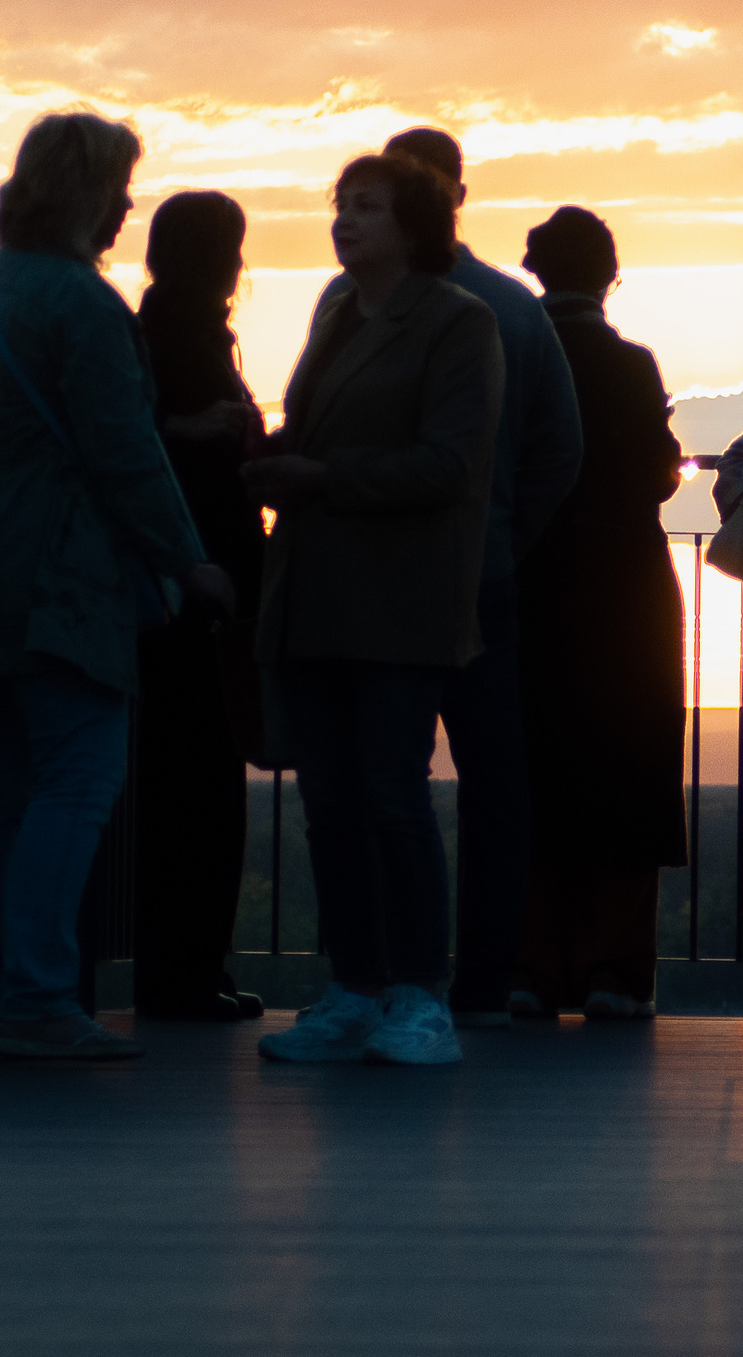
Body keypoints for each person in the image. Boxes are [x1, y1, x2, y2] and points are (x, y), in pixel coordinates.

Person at [0, 112, 234, 1061]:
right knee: (76, 779)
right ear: (86, 195)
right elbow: (123, 450)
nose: (127, 207)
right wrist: (188, 559)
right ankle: (40, 996)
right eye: (117, 188)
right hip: (62, 575)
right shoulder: (85, 306)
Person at [245, 153, 504, 1066]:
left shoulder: (457, 322)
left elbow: (451, 463)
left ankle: (419, 994)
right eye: (342, 205)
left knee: (393, 793)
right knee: (329, 802)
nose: (346, 220)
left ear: (415, 224)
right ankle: (354, 987)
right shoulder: (337, 314)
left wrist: (320, 476)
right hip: (316, 594)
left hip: (401, 599)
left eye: (369, 207)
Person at [376, 128, 582, 1027]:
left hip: (383, 583)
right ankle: (483, 979)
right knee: (496, 786)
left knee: (385, 781)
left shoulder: (356, 301)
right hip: (484, 578)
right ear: (460, 193)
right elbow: (560, 448)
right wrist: (502, 533)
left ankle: (390, 972)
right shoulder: (513, 307)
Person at [510, 208, 686, 1021]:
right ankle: (614, 968)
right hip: (624, 592)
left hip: (530, 583)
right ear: (610, 276)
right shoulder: (630, 364)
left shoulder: (510, 352)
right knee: (625, 768)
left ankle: (531, 963)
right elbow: (658, 470)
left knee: (531, 768)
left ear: (535, 269)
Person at [132, 190, 269, 1022]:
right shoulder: (174, 341)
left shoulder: (161, 332)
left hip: (187, 584)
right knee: (198, 783)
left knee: (188, 779)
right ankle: (186, 970)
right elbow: (132, 438)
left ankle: (186, 966)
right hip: (197, 585)